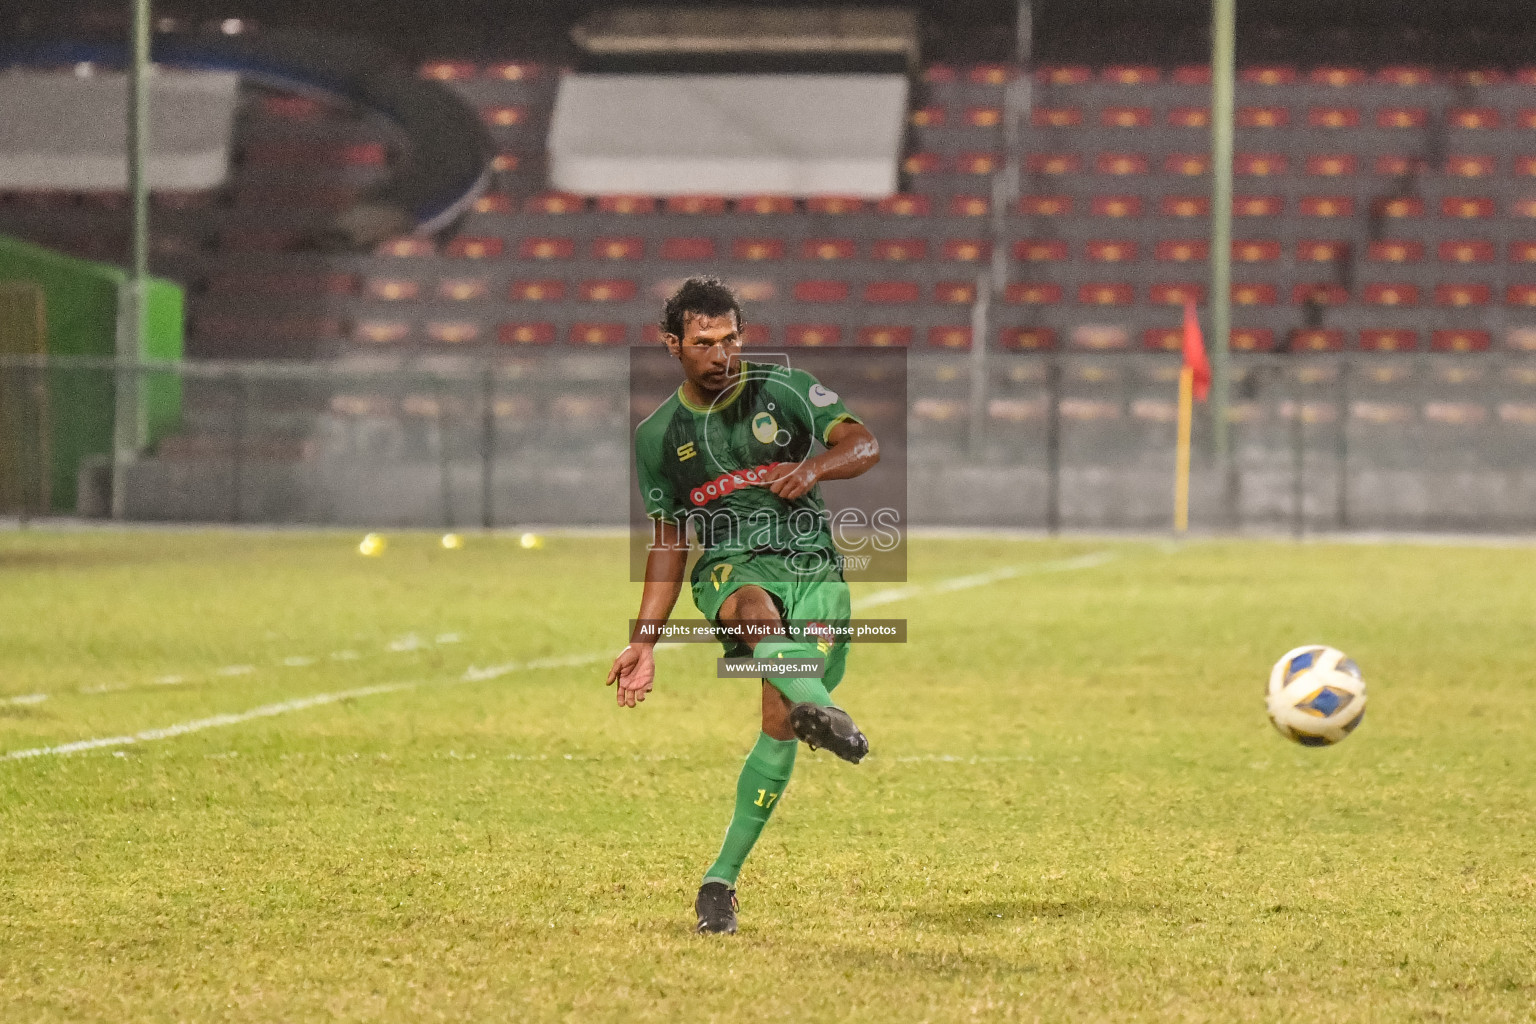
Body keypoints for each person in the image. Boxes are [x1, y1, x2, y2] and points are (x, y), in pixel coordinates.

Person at [605, 276, 881, 935]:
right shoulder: (657, 438)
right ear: (673, 345)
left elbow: (862, 442)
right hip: (732, 565)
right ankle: (825, 711)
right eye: (704, 342)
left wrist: (814, 469)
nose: (722, 353)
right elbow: (670, 544)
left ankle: (719, 881)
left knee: (778, 724)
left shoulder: (784, 391)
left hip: (814, 566)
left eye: (732, 338)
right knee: (751, 611)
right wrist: (644, 639)